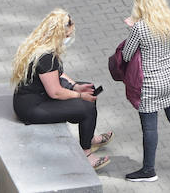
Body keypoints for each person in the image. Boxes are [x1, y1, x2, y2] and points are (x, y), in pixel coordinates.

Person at [10, 10, 112, 171]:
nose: (68, 38)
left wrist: (75, 86)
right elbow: (55, 92)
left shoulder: (41, 44)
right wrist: (79, 95)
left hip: (37, 95)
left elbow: (57, 74)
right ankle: (86, 153)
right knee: (86, 107)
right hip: (32, 107)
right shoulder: (46, 57)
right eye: (67, 35)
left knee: (88, 90)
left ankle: (89, 136)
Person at [121, 0, 170, 182]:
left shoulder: (140, 28)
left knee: (150, 128)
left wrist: (132, 29)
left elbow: (127, 55)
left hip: (151, 84)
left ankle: (148, 170)